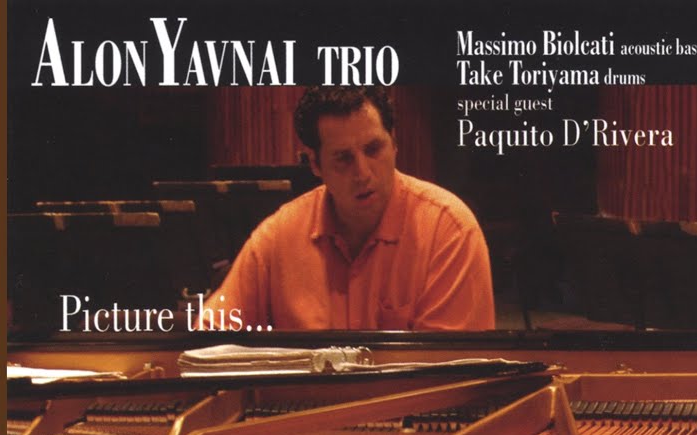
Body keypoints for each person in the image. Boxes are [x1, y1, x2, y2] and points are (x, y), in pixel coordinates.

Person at [198, 86, 495, 331]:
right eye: (343, 158)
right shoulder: (279, 234)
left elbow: (451, 372)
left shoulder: (448, 229)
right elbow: (210, 337)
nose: (363, 173)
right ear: (315, 164)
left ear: (394, 144)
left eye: (373, 149)